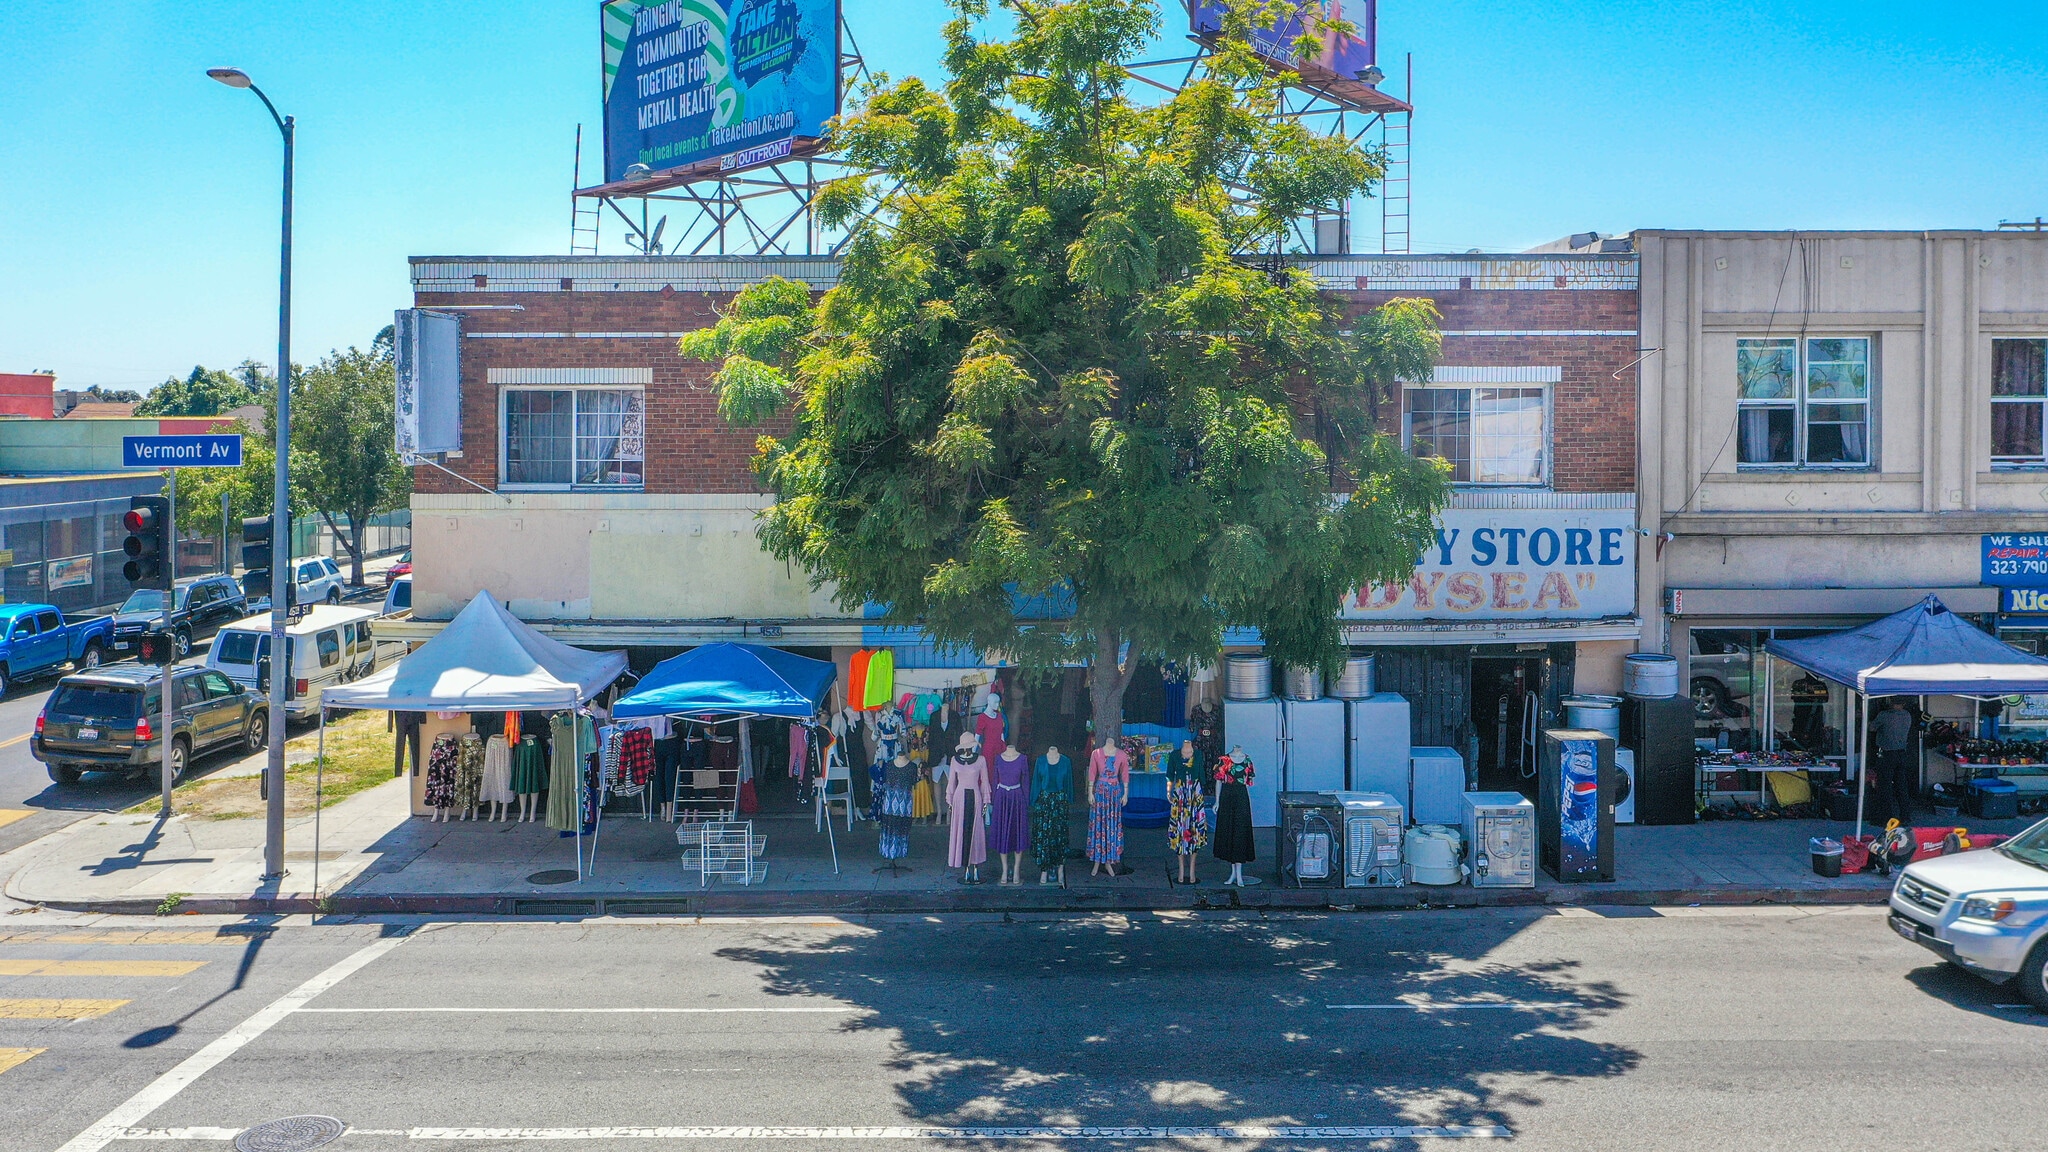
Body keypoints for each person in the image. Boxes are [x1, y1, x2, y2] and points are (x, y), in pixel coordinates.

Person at [1871, 697, 1917, 824]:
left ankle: (1886, 818)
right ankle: (1905, 816)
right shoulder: (1907, 715)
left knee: (1885, 786)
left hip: (1887, 753)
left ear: (1891, 702)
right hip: (1901, 753)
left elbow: (1872, 728)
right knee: (1902, 786)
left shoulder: (1884, 715)